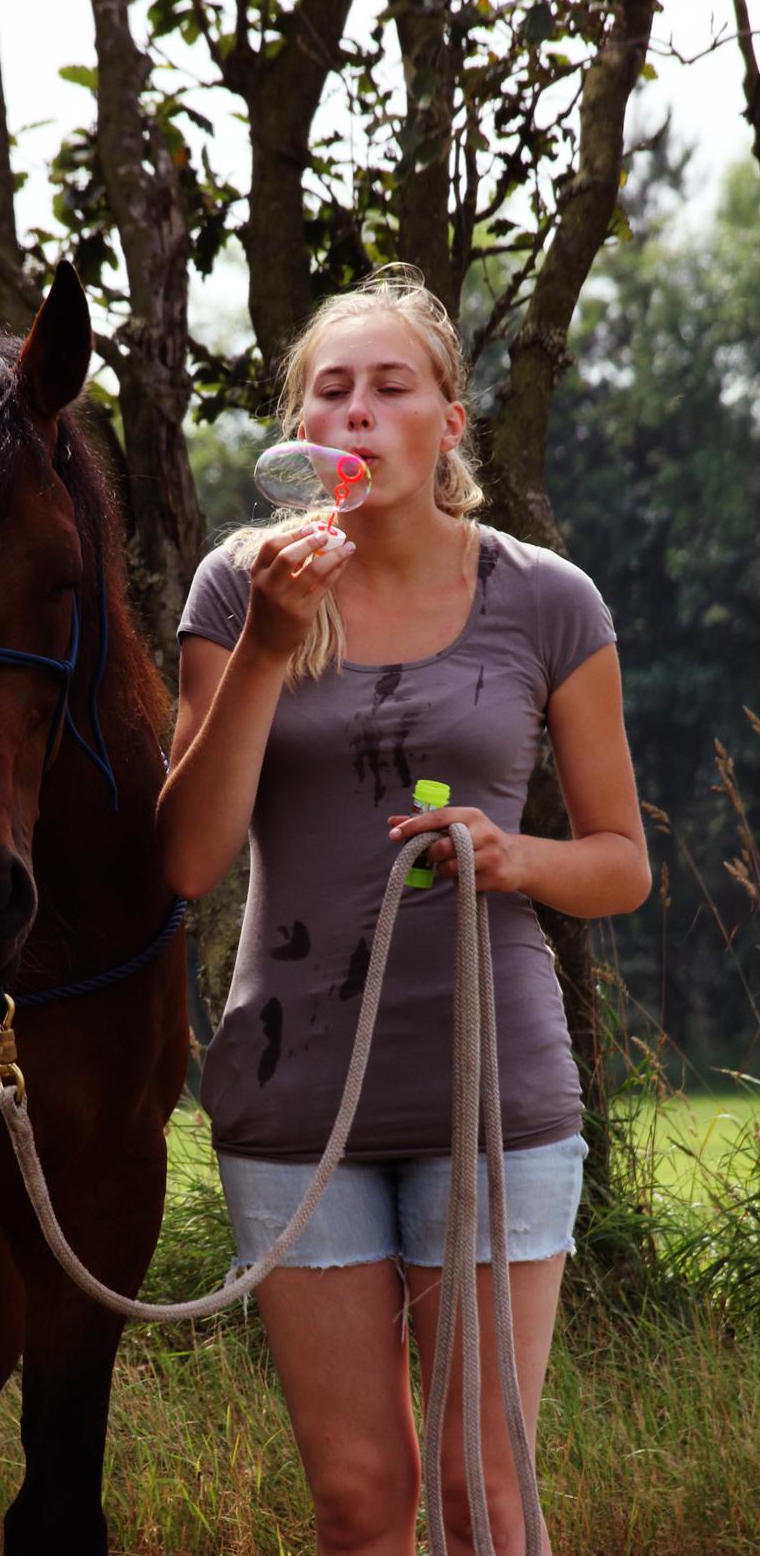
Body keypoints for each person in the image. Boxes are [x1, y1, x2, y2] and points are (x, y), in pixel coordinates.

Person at [156, 265, 650, 1556]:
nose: (359, 411)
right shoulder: (237, 590)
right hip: (291, 1091)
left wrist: (514, 857)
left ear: (451, 421)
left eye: (391, 387)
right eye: (331, 392)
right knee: (362, 1502)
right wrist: (268, 648)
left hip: (496, 1092)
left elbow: (622, 862)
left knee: (488, 1501)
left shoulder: (549, 599)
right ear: (298, 433)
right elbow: (186, 861)